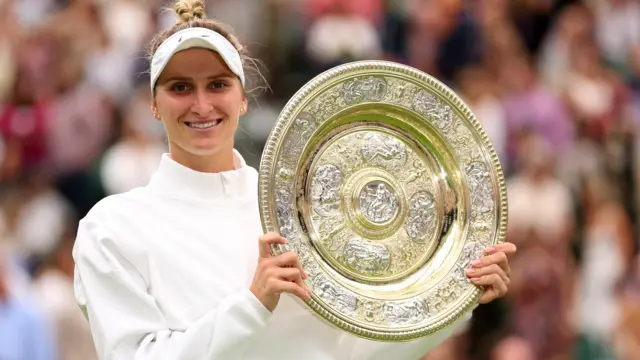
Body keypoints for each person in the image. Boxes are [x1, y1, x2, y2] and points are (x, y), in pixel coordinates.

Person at [72, 1, 517, 359]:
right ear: (153, 105)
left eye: (218, 85)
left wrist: (457, 300)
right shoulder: (113, 226)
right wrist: (252, 304)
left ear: (243, 99)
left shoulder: (300, 207)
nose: (202, 105)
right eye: (180, 87)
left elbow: (352, 352)